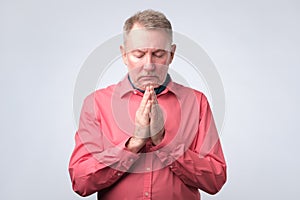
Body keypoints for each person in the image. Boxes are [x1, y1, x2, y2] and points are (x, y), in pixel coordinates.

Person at [69, 9, 227, 200]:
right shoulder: (96, 103)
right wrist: (134, 143)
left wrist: (163, 141)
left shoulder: (197, 102)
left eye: (158, 54)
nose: (149, 65)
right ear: (124, 55)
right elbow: (81, 182)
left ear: (172, 54)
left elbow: (215, 180)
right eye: (139, 54)